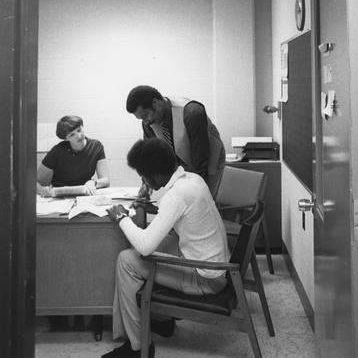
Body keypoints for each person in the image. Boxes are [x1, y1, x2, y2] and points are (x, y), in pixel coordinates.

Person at [104, 137, 229, 358]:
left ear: (154, 174)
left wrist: (121, 217)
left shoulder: (176, 195)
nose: (143, 180)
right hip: (214, 264)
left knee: (127, 259)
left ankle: (137, 348)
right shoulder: (192, 179)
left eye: (142, 175)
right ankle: (160, 320)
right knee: (149, 244)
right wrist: (151, 207)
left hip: (205, 278)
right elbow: (178, 212)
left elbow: (144, 246)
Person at [125, 85, 226, 198]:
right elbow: (149, 157)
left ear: (155, 102)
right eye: (141, 119)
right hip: (183, 160)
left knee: (201, 198)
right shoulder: (148, 123)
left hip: (209, 158)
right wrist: (146, 185)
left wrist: (192, 189)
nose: (146, 122)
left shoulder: (192, 113)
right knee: (182, 198)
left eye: (146, 115)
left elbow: (201, 159)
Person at [37, 115, 109, 196]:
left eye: (79, 130)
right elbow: (34, 182)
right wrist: (42, 190)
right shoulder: (57, 151)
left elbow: (106, 180)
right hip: (60, 197)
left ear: (83, 127)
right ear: (66, 139)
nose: (79, 136)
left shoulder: (96, 146)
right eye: (72, 135)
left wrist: (93, 182)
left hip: (85, 195)